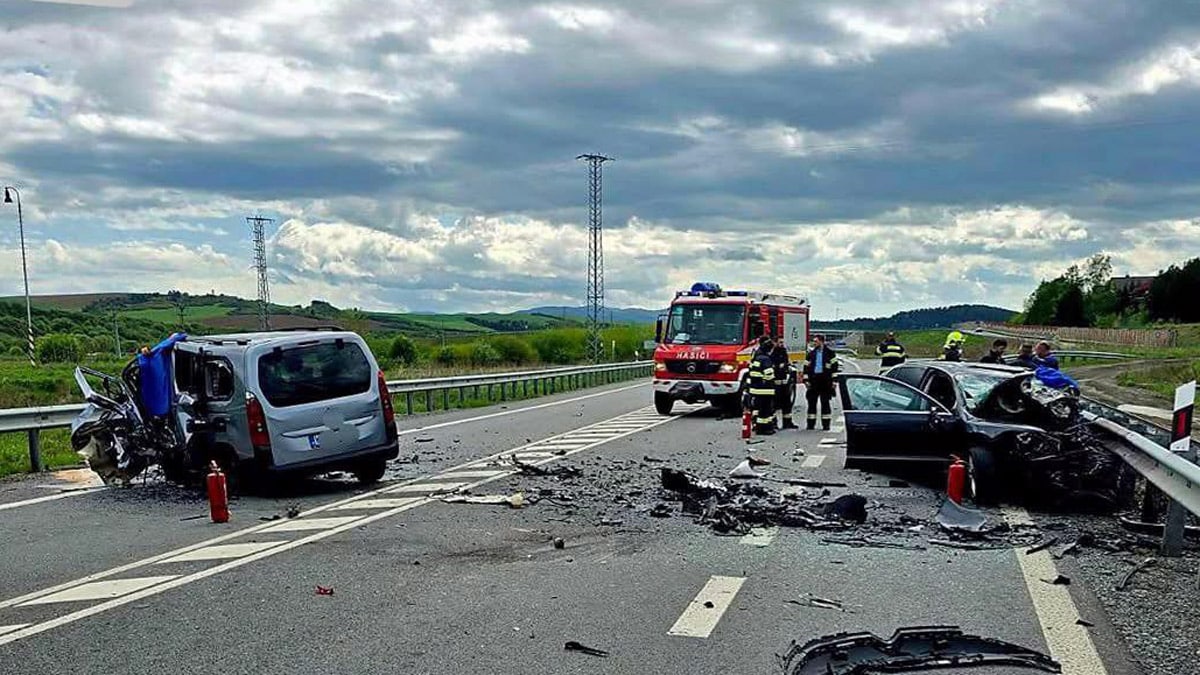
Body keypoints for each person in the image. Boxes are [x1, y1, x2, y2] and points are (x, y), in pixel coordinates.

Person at [802, 334, 840, 431]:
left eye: (816, 341)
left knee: (825, 403)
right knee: (811, 403)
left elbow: (835, 368)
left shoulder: (830, 353)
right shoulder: (811, 354)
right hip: (813, 381)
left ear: (822, 341)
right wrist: (806, 380)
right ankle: (810, 424)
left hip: (825, 382)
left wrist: (834, 381)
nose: (814, 343)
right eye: (814, 341)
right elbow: (806, 368)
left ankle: (826, 425)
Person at [747, 336, 777, 435]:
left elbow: (752, 372)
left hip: (755, 389)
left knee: (759, 410)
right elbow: (769, 375)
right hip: (765, 390)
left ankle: (759, 427)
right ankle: (765, 429)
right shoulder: (766, 359)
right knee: (765, 411)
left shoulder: (757, 357)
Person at [770, 339, 798, 430]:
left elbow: (786, 363)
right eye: (780, 342)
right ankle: (774, 423)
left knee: (787, 403)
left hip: (785, 382)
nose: (782, 344)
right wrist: (778, 367)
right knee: (774, 404)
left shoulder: (784, 351)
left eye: (783, 342)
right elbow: (772, 366)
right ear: (775, 343)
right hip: (775, 383)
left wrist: (786, 366)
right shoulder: (772, 353)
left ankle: (787, 422)